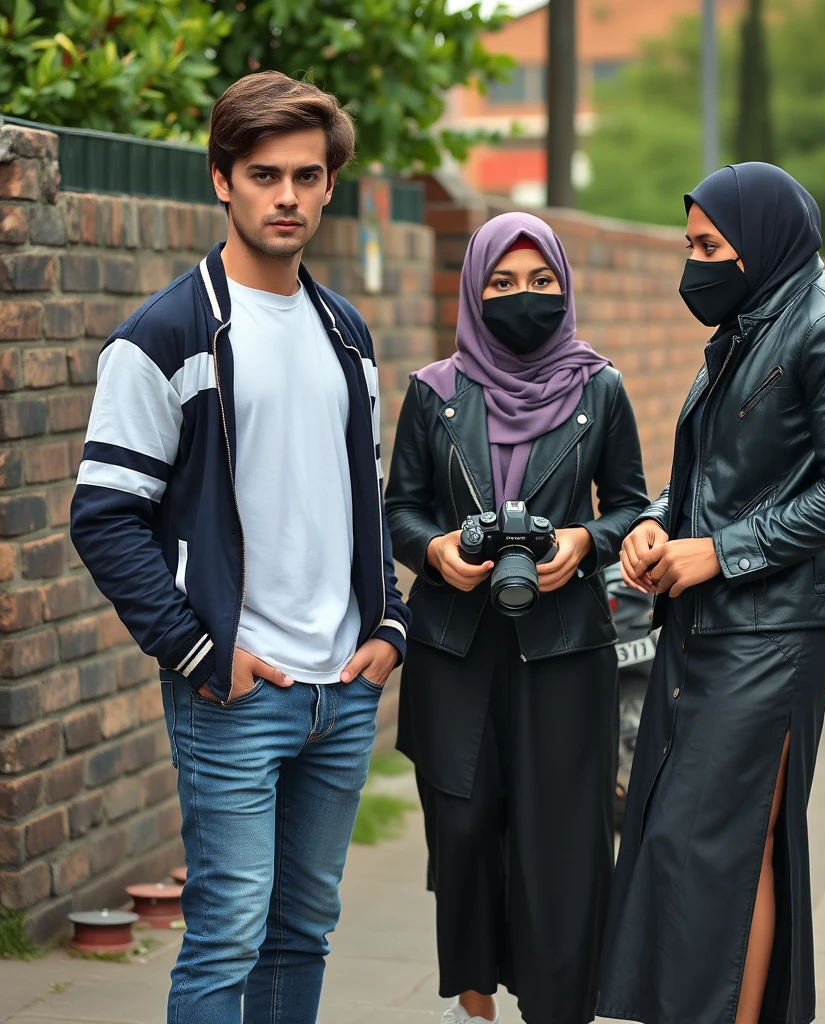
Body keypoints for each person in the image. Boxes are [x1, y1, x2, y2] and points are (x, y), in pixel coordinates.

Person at [70, 72, 411, 1022]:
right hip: (236, 688)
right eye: (265, 175)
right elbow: (102, 514)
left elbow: (361, 497)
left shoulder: (348, 335)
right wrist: (201, 651)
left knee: (305, 929)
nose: (288, 196)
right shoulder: (165, 335)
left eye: (307, 175)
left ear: (331, 184)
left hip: (340, 691)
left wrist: (387, 621)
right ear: (222, 180)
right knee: (226, 936)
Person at [598, 163, 825, 1024]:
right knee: (706, 846)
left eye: (707, 246)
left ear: (759, 242)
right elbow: (720, 477)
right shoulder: (742, 327)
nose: (693, 264)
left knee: (710, 843)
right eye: (690, 245)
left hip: (780, 627)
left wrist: (718, 554)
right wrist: (656, 526)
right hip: (713, 622)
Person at [385, 212, 648, 1024]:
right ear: (473, 287)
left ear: (564, 288)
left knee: (561, 843)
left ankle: (557, 1003)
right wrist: (435, 554)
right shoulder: (434, 394)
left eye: (541, 283)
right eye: (502, 283)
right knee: (462, 827)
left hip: (565, 646)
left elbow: (633, 507)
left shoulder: (598, 387)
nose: (522, 298)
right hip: (454, 649)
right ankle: (472, 975)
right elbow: (399, 509)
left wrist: (582, 540)